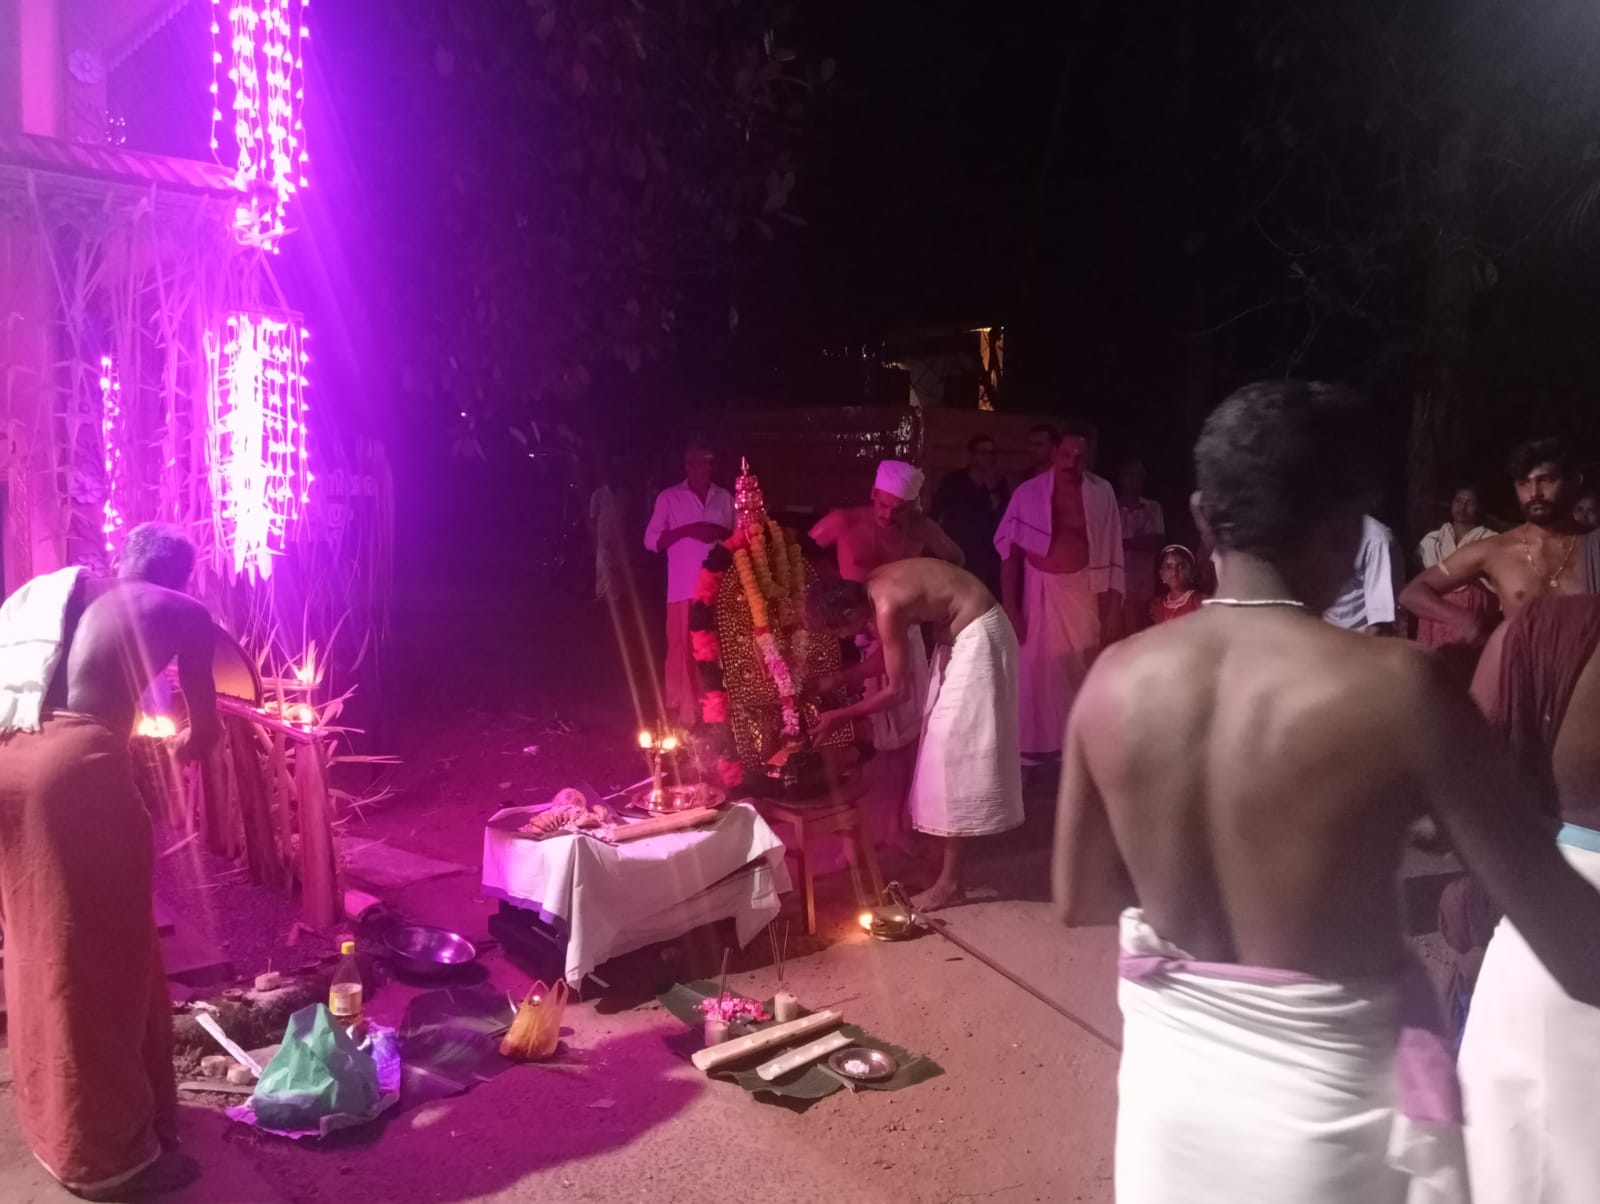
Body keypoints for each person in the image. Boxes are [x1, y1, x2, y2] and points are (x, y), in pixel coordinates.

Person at [1053, 380, 1600, 1204]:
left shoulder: (1115, 678)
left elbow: (1081, 896)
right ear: (1348, 531)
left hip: (1173, 1113)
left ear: (1201, 516)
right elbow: (1569, 938)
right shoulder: (1398, 688)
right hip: (1327, 1132)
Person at [0, 523, 218, 1200]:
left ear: (122, 560)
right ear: (177, 577)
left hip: (8, 759)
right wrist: (178, 746)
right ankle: (106, 1159)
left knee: (39, 945)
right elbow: (203, 734)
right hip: (75, 775)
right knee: (99, 960)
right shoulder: (182, 610)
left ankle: (58, 1121)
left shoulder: (52, 595)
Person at [1457, 594, 1600, 1202]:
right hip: (1554, 919)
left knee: (1523, 1168)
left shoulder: (1546, 634)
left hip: (1551, 924)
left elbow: (1460, 801)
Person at [807, 560, 1023, 910]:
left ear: (849, 611)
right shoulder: (871, 586)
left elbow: (898, 690)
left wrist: (839, 717)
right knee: (937, 754)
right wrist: (838, 681)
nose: (846, 638)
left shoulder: (886, 605)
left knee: (950, 755)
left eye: (840, 631)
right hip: (960, 640)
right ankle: (941, 868)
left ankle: (950, 884)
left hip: (980, 638)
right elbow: (891, 655)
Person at [809, 461, 961, 756]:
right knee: (856, 728)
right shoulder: (843, 522)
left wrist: (928, 598)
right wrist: (829, 584)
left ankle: (901, 775)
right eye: (883, 505)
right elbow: (802, 550)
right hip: (848, 626)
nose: (888, 515)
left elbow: (956, 558)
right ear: (873, 494)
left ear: (913, 506)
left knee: (906, 725)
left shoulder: (920, 529)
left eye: (899, 509)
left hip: (900, 627)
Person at [993, 424, 1123, 761]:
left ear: (1088, 458)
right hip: (1037, 589)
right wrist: (1010, 605)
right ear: (1054, 454)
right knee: (1035, 670)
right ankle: (1035, 746)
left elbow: (1113, 550)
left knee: (1080, 665)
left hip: (1082, 590)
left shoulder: (1102, 493)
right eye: (1066, 454)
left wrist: (1112, 611)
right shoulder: (1028, 493)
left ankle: (1075, 746)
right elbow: (1009, 552)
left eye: (1080, 456)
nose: (1072, 462)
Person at [1400, 437, 1587, 643]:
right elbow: (1413, 593)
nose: (1534, 493)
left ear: (1574, 481)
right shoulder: (1495, 549)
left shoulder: (1592, 547)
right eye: (1524, 483)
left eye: (1546, 480)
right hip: (1521, 661)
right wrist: (1467, 620)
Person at [643, 439, 734, 728]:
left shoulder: (724, 497)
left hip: (718, 588)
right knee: (683, 651)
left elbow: (740, 536)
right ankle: (683, 712)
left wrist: (716, 531)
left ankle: (718, 711)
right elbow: (651, 541)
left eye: (709, 463)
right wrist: (690, 530)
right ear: (688, 466)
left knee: (716, 649)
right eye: (700, 463)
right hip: (683, 589)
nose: (706, 469)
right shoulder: (670, 498)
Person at [1413, 486, 1498, 656]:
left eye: (1469, 502)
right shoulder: (1432, 540)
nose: (1462, 507)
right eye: (1458, 501)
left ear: (1479, 507)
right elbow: (1420, 582)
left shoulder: (1491, 540)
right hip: (1433, 616)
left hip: (1471, 618)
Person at [929, 435, 1010, 596]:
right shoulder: (953, 480)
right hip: (959, 550)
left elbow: (1003, 515)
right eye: (983, 452)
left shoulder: (999, 483)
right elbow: (935, 512)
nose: (989, 457)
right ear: (972, 455)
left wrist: (991, 489)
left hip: (986, 554)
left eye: (992, 453)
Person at [1322, 513, 1401, 634]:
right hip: (1318, 634)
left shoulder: (1376, 539)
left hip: (1353, 638)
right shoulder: (1314, 530)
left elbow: (1382, 621)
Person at [1116, 459, 1166, 636]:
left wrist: (1124, 543)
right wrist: (1138, 541)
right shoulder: (1112, 507)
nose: (1134, 480)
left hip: (1146, 584)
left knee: (1143, 633)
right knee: (1127, 634)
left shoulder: (1153, 507)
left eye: (1138, 476)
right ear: (1121, 478)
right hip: (1121, 583)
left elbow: (1155, 542)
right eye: (1129, 475)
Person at [588, 457, 629, 605]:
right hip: (604, 535)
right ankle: (602, 595)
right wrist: (596, 536)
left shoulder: (623, 494)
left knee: (618, 565)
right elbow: (593, 517)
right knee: (604, 566)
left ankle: (618, 595)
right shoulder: (598, 494)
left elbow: (627, 513)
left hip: (620, 536)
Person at [1148, 544, 1205, 625]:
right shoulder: (1157, 607)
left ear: (1192, 573)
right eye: (1169, 567)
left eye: (1181, 567)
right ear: (1161, 574)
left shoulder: (1198, 601)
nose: (1174, 572)